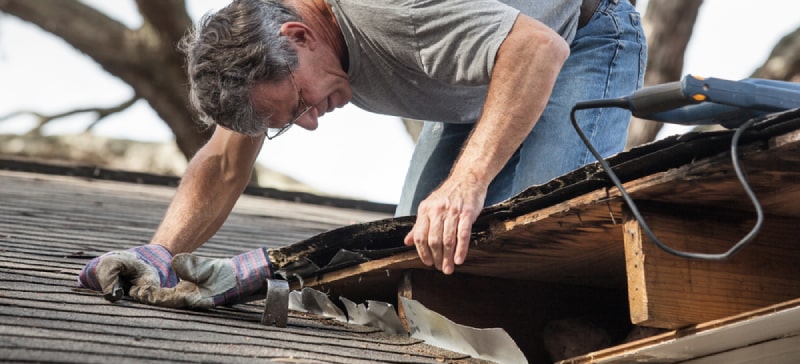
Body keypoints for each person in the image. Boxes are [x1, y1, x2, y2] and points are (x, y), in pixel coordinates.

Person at [79, 0, 646, 308]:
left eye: (300, 101)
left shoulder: (391, 13)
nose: (309, 121)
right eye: (287, 123)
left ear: (301, 35)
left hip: (577, 38)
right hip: (482, 77)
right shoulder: (267, 44)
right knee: (417, 266)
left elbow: (535, 47)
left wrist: (466, 181)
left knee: (542, 246)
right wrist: (159, 252)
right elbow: (226, 162)